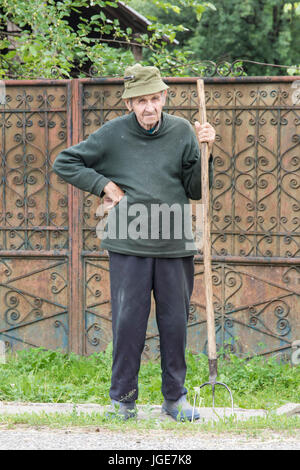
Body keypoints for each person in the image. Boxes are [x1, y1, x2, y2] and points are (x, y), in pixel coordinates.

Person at [52, 64, 216, 421]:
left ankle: (175, 400)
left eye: (154, 99)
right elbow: (64, 161)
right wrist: (105, 186)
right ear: (129, 103)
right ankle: (124, 400)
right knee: (129, 324)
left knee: (175, 324)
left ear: (164, 98)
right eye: (140, 101)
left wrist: (206, 152)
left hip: (174, 242)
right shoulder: (112, 134)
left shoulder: (184, 131)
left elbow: (196, 189)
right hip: (129, 243)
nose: (148, 107)